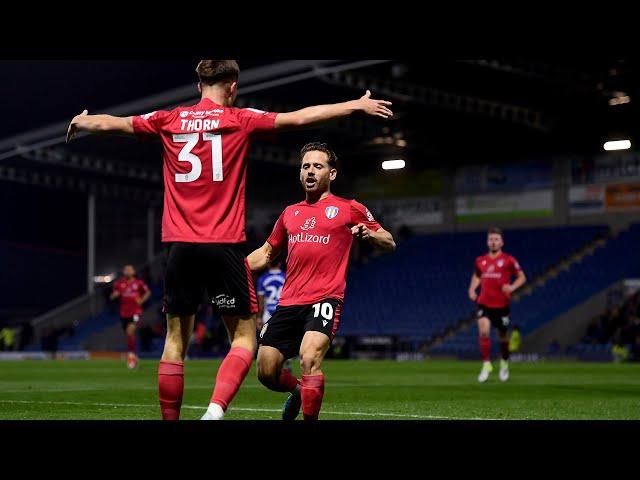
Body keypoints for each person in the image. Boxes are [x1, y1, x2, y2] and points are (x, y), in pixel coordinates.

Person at [67, 60, 393, 420]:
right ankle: (215, 410)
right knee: (243, 340)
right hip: (223, 243)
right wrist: (354, 105)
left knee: (174, 344)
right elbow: (299, 118)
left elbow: (118, 124)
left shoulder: (168, 119)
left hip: (177, 246)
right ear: (233, 86)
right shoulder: (239, 118)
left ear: (198, 86)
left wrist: (84, 121)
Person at [248, 142, 395, 420]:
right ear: (300, 174)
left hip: (325, 299)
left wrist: (370, 234)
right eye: (306, 166)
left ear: (333, 174)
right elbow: (266, 253)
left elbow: (389, 241)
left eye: (318, 166)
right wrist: (236, 268)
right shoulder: (290, 213)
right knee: (266, 371)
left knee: (309, 357)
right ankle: (299, 392)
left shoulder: (350, 208)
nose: (311, 171)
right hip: (288, 302)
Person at [468, 227, 526, 383]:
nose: (493, 242)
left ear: (502, 242)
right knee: (484, 331)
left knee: (502, 336)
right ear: (487, 242)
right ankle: (486, 364)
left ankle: (504, 363)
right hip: (484, 303)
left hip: (501, 305)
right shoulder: (480, 260)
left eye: (496, 239)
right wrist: (472, 288)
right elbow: (477, 275)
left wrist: (512, 287)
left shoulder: (508, 260)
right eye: (491, 239)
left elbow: (522, 277)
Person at [111, 264, 151, 369]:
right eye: (126, 270)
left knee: (130, 331)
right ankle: (133, 355)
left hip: (135, 312)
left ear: (133, 271)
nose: (128, 271)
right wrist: (114, 295)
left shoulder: (139, 283)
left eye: (130, 269)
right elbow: (113, 295)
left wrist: (141, 301)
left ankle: (131, 356)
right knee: (129, 335)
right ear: (124, 272)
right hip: (124, 313)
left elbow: (148, 292)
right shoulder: (119, 283)